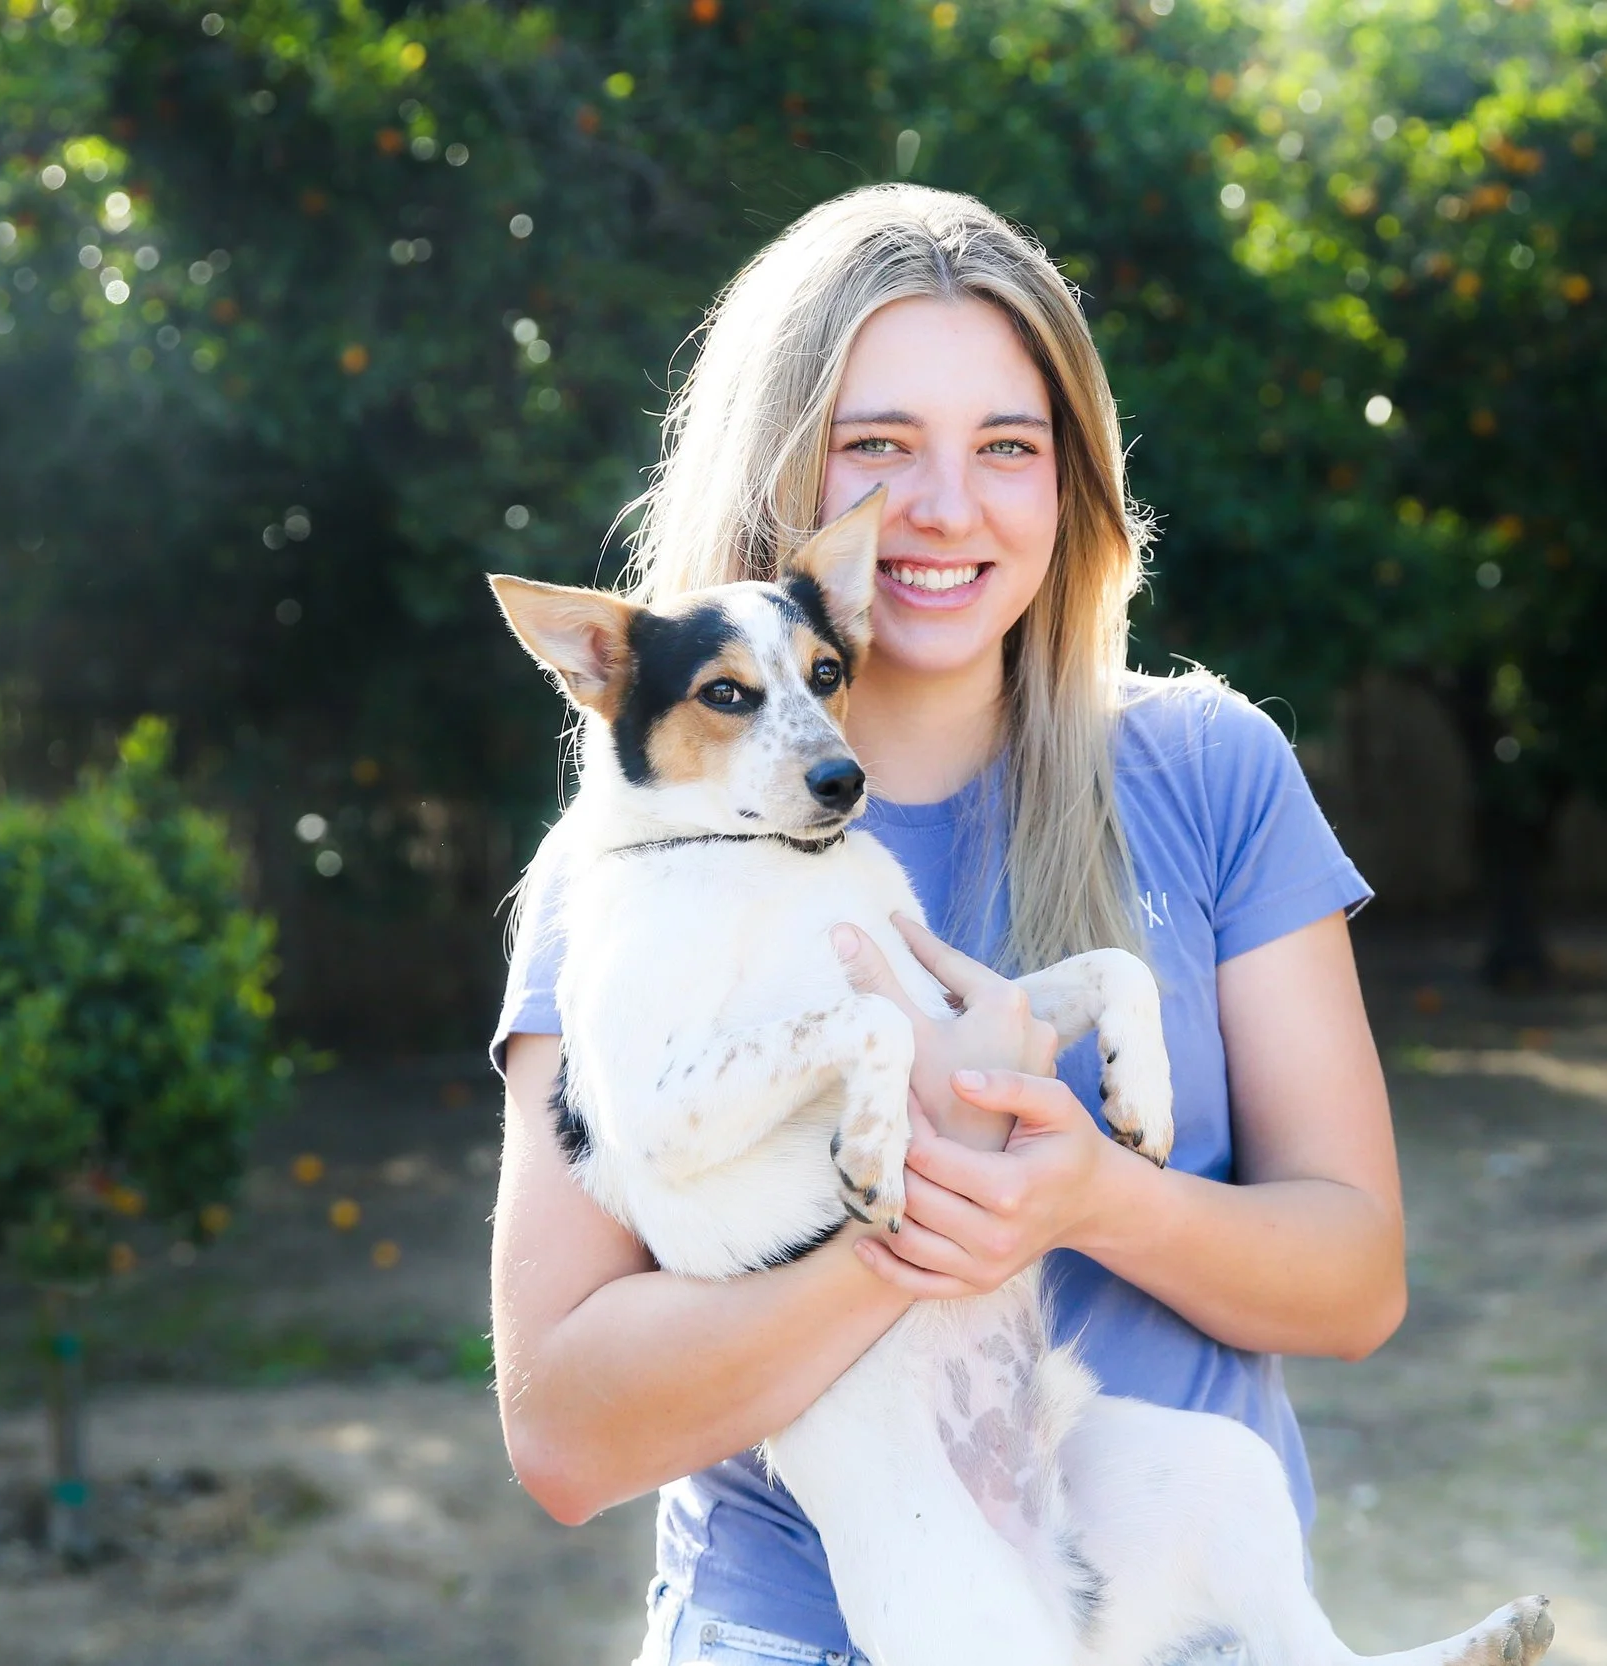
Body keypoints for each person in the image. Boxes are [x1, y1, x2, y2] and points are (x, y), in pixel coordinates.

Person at [490, 184, 1407, 1665]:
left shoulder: (1211, 771)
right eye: (876, 446)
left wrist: (1087, 1196)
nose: (944, 507)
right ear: (789, 474)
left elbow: (1359, 1281)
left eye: (1007, 447)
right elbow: (566, 1433)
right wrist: (927, 1217)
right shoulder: (625, 876)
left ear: (1073, 486)